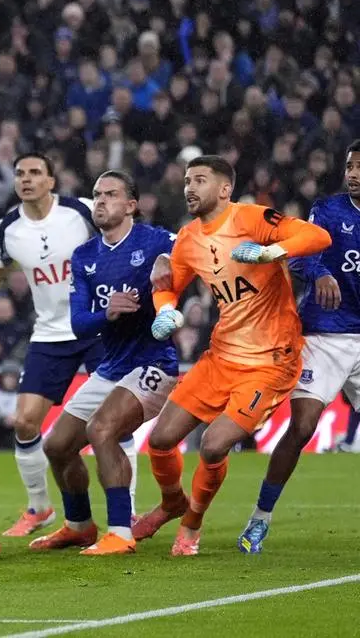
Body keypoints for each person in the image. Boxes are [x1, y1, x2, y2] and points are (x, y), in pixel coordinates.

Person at [140, 155, 331, 556]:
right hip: (221, 355)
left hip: (269, 363)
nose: (190, 187)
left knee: (212, 445)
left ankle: (191, 524)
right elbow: (167, 283)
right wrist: (164, 309)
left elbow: (317, 237)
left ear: (224, 189)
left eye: (201, 180)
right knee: (159, 440)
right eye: (188, 180)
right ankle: (173, 502)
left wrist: (270, 253)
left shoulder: (253, 218)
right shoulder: (189, 237)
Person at [0, 153, 117, 537]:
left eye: (35, 173)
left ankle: (125, 511)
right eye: (20, 173)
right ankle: (39, 507)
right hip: (50, 334)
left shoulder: (80, 212)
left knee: (114, 423)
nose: (26, 179)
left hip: (98, 329)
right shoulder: (9, 228)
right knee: (24, 422)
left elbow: (119, 240)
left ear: (52, 180)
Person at [33, 172, 178, 555]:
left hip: (154, 363)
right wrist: (107, 313)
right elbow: (79, 324)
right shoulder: (84, 256)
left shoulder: (156, 240)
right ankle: (79, 525)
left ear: (131, 205)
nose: (100, 201)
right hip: (112, 367)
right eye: (97, 195)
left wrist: (167, 260)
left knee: (103, 430)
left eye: (111, 195)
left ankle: (120, 533)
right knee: (57, 446)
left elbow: (193, 251)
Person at [239, 141, 360, 553]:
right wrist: (321, 273)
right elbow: (298, 255)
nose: (354, 173)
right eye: (349, 165)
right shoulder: (328, 211)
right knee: (304, 425)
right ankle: (260, 518)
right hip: (326, 336)